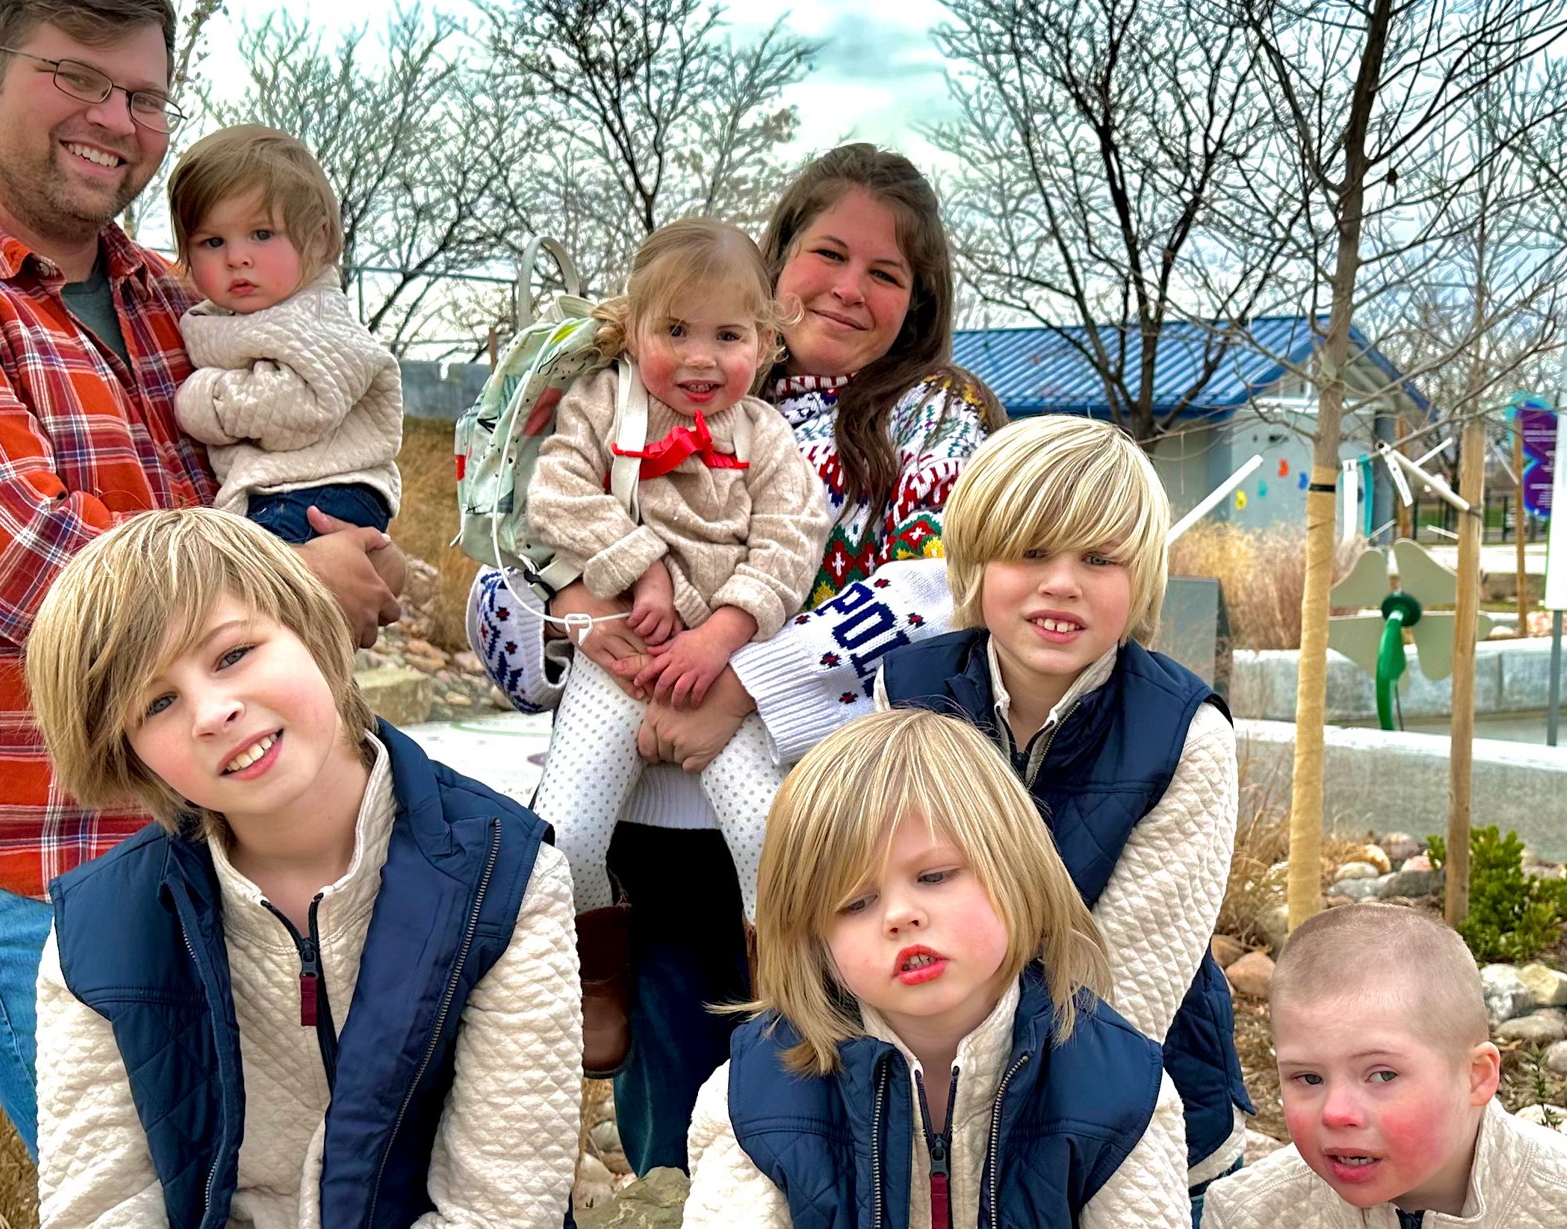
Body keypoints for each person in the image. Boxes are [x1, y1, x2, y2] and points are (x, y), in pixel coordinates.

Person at [0, 0, 399, 1155]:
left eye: (144, 95)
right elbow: (31, 562)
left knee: (294, 1172)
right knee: (145, 1188)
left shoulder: (182, 297)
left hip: (232, 830)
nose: (116, 119)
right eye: (76, 77)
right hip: (35, 867)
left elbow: (313, 434)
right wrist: (298, 585)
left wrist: (361, 529)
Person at [471, 143, 1002, 1173]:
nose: (847, 288)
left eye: (884, 273)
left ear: (920, 297)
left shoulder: (943, 414)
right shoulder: (645, 380)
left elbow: (931, 592)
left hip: (827, 817)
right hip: (645, 813)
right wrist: (578, 612)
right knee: (673, 1126)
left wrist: (741, 683)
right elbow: (512, 544)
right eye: (825, 254)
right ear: (776, 257)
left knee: (815, 1113)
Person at [24, 508, 580, 1228]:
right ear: (127, 753)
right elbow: (101, 1209)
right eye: (158, 701)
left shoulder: (504, 880)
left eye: (231, 654)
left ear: (309, 627)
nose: (212, 711)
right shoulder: (95, 937)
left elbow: (501, 1210)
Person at [874, 415, 1253, 1219]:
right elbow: (875, 891)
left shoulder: (1185, 733)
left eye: (1099, 558)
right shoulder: (905, 692)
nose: (1062, 583)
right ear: (975, 562)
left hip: (1134, 1100)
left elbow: (1130, 986)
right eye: (1032, 552)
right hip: (937, 1090)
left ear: (1141, 576)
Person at [682, 708, 1190, 1227]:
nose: (901, 916)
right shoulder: (752, 1100)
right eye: (856, 904)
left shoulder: (1120, 1090)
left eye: (934, 876)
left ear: (1016, 868)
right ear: (813, 939)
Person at [525, 219, 827, 1070]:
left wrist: (725, 633)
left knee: (769, 828)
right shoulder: (603, 407)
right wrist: (643, 566)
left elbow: (788, 544)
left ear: (765, 344)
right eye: (676, 331)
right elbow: (555, 496)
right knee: (565, 828)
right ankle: (599, 967)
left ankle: (784, 981)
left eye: (727, 336)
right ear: (634, 329)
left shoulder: (764, 437)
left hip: (720, 672)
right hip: (619, 658)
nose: (701, 358)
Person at [1202, 905, 1567, 1228]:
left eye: (1382, 1075)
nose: (1337, 1113)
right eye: (1309, 1078)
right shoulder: (1247, 1215)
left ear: (1477, 1076)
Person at [168, 124, 404, 542]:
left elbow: (305, 405)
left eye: (262, 235)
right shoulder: (223, 316)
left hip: (328, 489)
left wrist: (203, 400)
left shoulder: (318, 317)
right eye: (212, 241)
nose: (237, 258)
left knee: (254, 583)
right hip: (282, 487)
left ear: (316, 241)